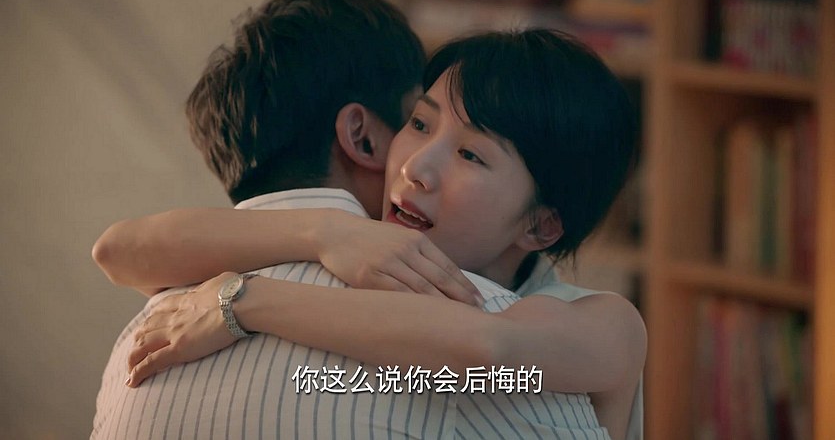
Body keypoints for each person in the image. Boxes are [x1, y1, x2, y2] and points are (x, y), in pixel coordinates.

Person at [95, 28, 645, 439]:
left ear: (541, 225)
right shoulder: (362, 257)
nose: (414, 167)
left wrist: (242, 301)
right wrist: (323, 232)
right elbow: (120, 251)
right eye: (420, 124)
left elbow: (487, 347)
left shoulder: (605, 323)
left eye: (471, 155)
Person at [89, 0, 482, 439]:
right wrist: (330, 231)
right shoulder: (465, 311)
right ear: (363, 138)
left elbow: (112, 251)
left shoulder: (137, 340)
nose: (427, 159)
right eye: (418, 123)